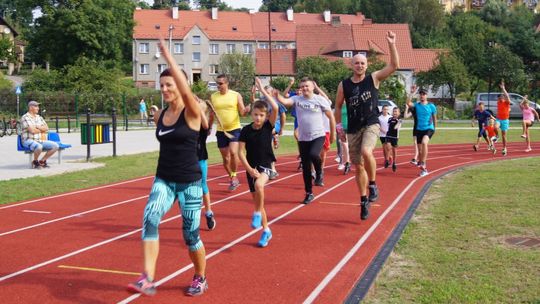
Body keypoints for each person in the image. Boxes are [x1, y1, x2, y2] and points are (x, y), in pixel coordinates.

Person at [127, 38, 207, 297]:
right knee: (149, 217)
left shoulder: (192, 112)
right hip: (164, 179)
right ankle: (147, 277)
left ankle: (200, 277)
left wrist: (169, 57)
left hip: (190, 183)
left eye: (169, 84)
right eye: (161, 85)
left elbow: (186, 91)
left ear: (180, 85)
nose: (164, 89)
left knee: (190, 235)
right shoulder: (160, 115)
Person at [335, 31, 399, 220]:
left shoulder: (374, 79)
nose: (360, 65)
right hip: (353, 128)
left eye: (363, 63)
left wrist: (392, 44)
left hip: (371, 123)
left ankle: (372, 184)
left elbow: (394, 66)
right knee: (358, 167)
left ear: (367, 65)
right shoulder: (344, 85)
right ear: (351, 65)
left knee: (366, 152)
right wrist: (339, 128)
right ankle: (363, 200)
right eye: (357, 63)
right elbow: (337, 106)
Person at [276, 77, 336, 204]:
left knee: (314, 154)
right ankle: (309, 193)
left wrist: (332, 135)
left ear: (313, 87)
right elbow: (285, 101)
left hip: (318, 135)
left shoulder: (320, 100)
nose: (304, 88)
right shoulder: (297, 99)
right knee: (306, 167)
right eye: (302, 86)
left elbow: (331, 117)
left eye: (306, 86)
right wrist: (276, 94)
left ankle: (319, 172)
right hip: (303, 138)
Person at [238, 77, 279, 247]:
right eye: (256, 114)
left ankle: (255, 212)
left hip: (266, 166)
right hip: (251, 167)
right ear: (252, 113)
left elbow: (275, 107)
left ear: (266, 116)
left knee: (259, 186)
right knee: (258, 199)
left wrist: (262, 91)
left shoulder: (268, 126)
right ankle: (266, 230)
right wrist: (248, 169)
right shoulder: (246, 130)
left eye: (262, 115)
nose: (258, 118)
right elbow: (240, 152)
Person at [210, 74, 250, 191]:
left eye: (221, 83)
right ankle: (233, 177)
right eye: (217, 83)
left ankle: (234, 176)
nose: (218, 86)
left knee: (233, 153)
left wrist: (247, 109)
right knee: (226, 159)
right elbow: (212, 114)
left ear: (227, 83)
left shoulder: (236, 95)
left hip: (234, 129)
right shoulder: (213, 96)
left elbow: (242, 112)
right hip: (220, 131)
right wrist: (208, 127)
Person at [406, 87, 437, 177]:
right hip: (419, 129)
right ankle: (424, 169)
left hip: (429, 128)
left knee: (424, 143)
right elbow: (408, 103)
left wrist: (435, 128)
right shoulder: (417, 105)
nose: (422, 96)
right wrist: (411, 93)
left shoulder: (431, 106)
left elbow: (435, 118)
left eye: (424, 94)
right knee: (420, 151)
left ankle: (423, 162)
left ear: (427, 95)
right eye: (421, 94)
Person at [20, 100, 59, 169]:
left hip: (39, 140)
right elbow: (32, 131)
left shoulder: (39, 117)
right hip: (28, 140)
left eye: (38, 106)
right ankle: (35, 162)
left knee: (55, 146)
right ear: (30, 107)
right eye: (36, 106)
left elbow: (46, 128)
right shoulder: (25, 117)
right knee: (39, 146)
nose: (38, 108)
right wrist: (41, 129)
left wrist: (37, 127)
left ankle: (42, 161)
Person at [197, 96, 217, 231]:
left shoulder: (204, 127)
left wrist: (209, 112)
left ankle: (208, 212)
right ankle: (191, 215)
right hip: (187, 161)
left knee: (203, 186)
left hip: (200, 159)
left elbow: (208, 121)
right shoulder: (187, 123)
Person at [404, 85, 419, 165]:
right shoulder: (414, 108)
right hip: (416, 127)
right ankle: (415, 157)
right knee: (416, 143)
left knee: (422, 143)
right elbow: (406, 116)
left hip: (424, 127)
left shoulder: (426, 106)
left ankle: (418, 158)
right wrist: (411, 93)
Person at [385, 107, 402, 172]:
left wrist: (399, 122)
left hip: (395, 137)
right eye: (394, 111)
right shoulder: (390, 118)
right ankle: (387, 160)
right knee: (388, 147)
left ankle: (394, 163)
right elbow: (389, 125)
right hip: (388, 135)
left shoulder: (399, 120)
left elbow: (396, 128)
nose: (394, 113)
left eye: (396, 111)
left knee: (394, 150)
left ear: (399, 113)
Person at [498, 81, 512, 156]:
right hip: (499, 119)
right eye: (499, 97)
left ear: (504, 98)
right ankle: (496, 136)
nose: (500, 98)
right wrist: (501, 89)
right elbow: (502, 95)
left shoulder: (507, 103)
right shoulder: (499, 102)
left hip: (505, 120)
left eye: (501, 97)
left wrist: (503, 88)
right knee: (495, 126)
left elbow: (507, 96)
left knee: (504, 135)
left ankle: (504, 148)